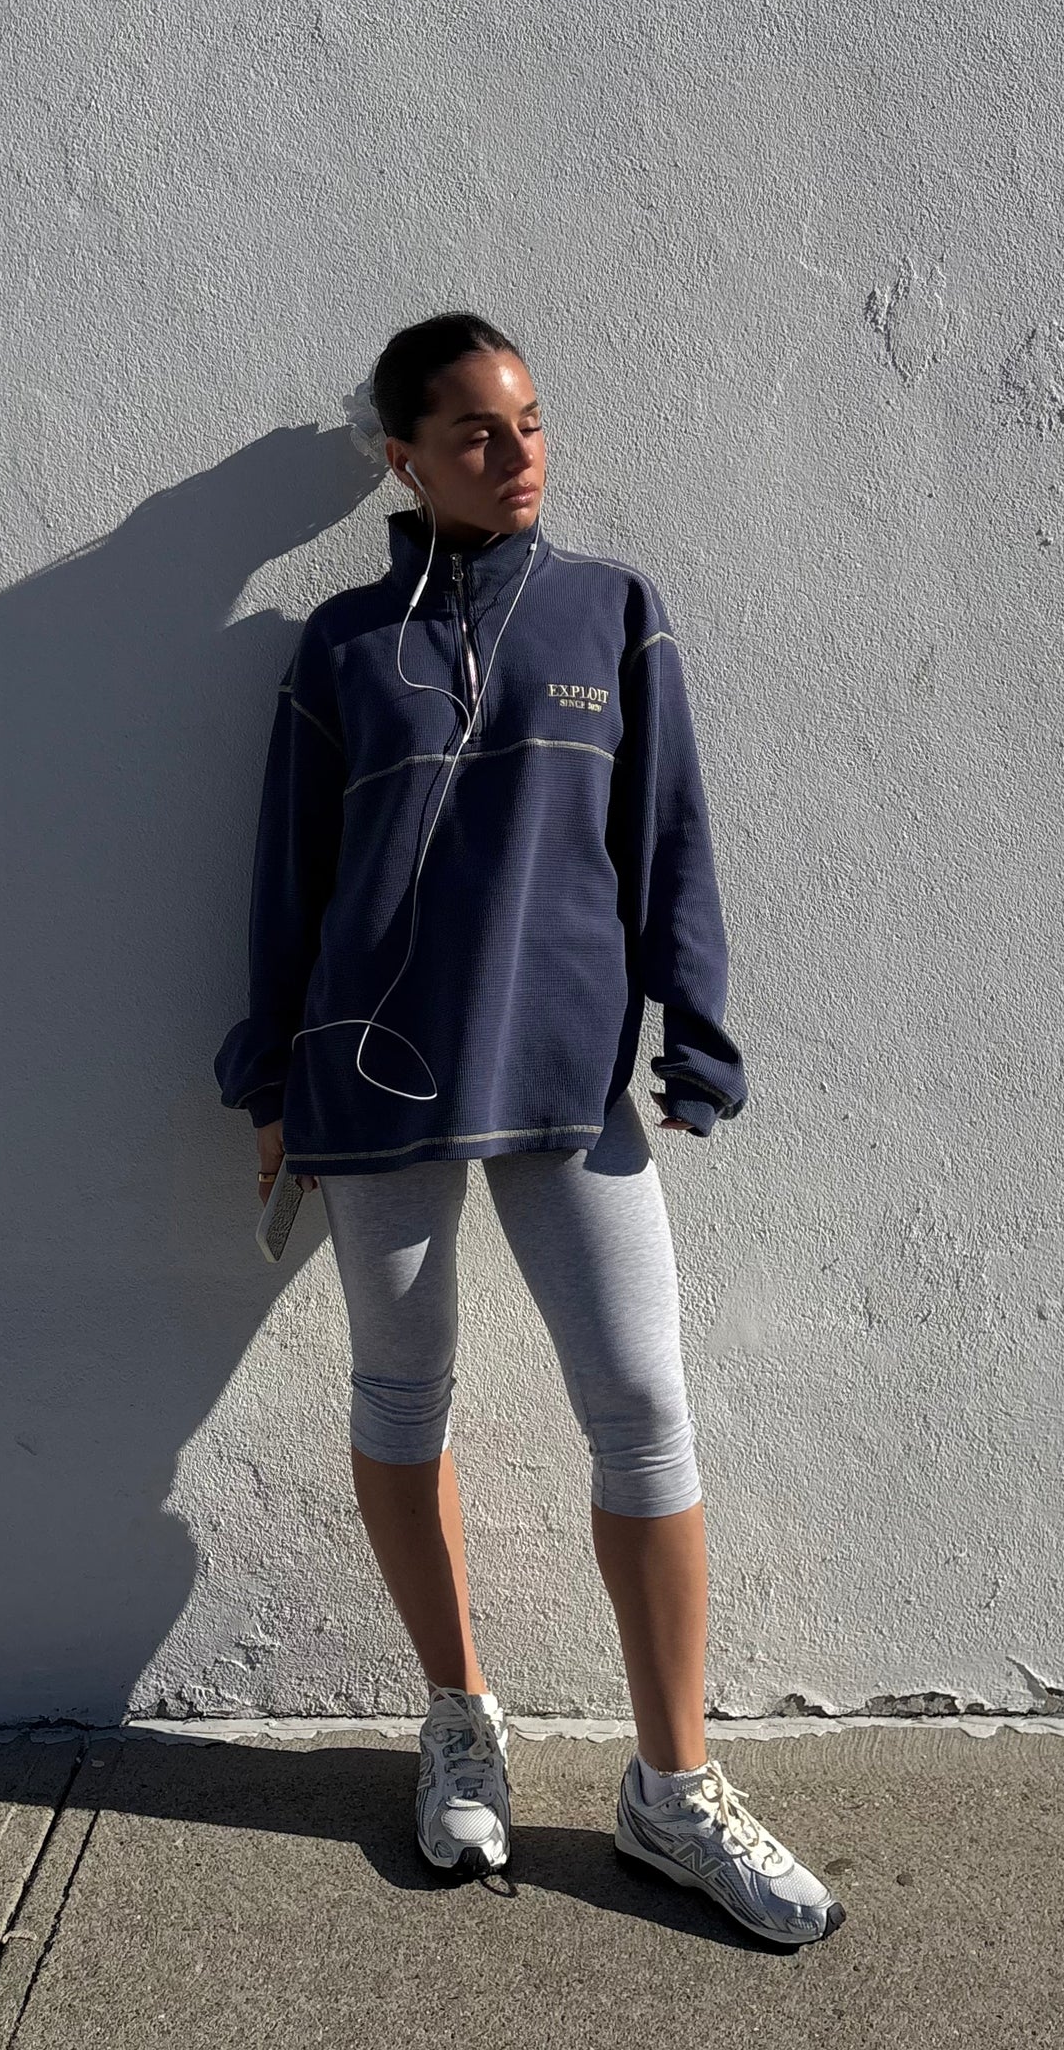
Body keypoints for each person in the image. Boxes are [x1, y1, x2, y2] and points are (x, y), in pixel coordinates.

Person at [214, 312, 835, 1948]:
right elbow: (287, 880)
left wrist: (697, 1035)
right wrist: (266, 1081)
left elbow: (668, 835)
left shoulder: (608, 612)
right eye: (477, 433)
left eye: (532, 423)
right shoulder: (343, 647)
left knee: (642, 1409)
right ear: (404, 457)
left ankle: (671, 1789)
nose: (518, 456)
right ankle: (458, 1717)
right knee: (400, 1395)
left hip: (565, 1078)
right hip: (374, 1082)